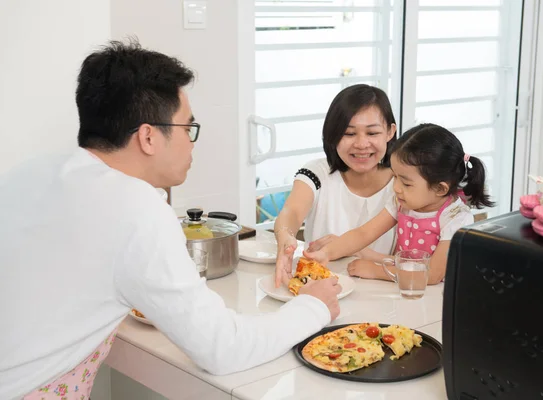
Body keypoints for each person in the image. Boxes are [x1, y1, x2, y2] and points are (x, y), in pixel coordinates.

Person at [0, 40, 341, 399]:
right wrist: (312, 306)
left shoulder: (31, 172)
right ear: (148, 136)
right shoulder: (135, 208)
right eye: (187, 128)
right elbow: (223, 349)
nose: (192, 143)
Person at [303, 123, 494, 284]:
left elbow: (433, 275)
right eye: (394, 177)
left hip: (436, 297)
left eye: (406, 182)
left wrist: (376, 271)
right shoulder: (401, 202)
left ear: (440, 189)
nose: (396, 187)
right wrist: (326, 253)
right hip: (404, 286)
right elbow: (364, 233)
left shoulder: (456, 218)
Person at [274, 84, 398, 288]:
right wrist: (285, 237)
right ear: (333, 135)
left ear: (389, 132)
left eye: (372, 133)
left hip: (383, 294)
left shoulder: (403, 184)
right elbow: (292, 212)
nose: (361, 144)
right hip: (319, 292)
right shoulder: (316, 173)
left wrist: (356, 250)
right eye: (349, 134)